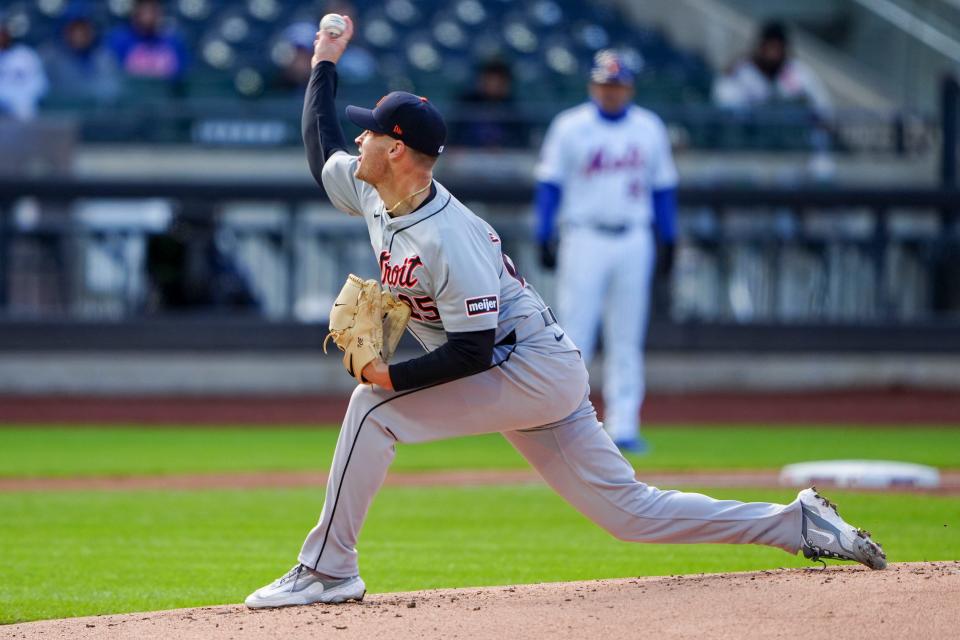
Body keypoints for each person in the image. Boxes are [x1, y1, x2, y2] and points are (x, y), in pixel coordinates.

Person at [244, 15, 886, 609]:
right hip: (527, 367)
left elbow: (470, 351)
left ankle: (329, 569)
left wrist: (392, 378)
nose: (360, 138)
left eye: (373, 131)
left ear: (400, 151)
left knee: (372, 410)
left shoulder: (450, 235)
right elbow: (318, 148)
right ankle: (796, 523)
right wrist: (325, 61)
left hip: (527, 366)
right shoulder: (373, 186)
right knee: (632, 514)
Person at [534, 49, 676, 454]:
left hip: (634, 236)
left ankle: (625, 425)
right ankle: (565, 421)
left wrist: (670, 237)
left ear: (629, 86)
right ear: (592, 85)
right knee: (574, 334)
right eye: (604, 84)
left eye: (617, 84)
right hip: (584, 236)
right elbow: (549, 185)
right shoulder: (570, 126)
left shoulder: (649, 128)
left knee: (626, 336)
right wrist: (544, 232)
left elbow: (664, 188)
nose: (611, 91)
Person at [712, 21, 832, 120]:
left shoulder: (797, 71)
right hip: (750, 139)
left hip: (791, 138)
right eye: (770, 47)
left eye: (778, 48)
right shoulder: (740, 71)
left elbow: (823, 107)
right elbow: (725, 105)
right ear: (760, 47)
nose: (773, 54)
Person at [41, 3, 120, 105]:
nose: (79, 34)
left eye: (84, 29)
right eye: (74, 29)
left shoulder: (104, 58)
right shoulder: (49, 58)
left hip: (96, 115)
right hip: (61, 116)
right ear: (64, 30)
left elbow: (112, 92)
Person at [106, 0, 188, 80]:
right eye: (144, 9)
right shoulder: (119, 41)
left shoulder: (174, 42)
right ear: (135, 12)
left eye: (153, 10)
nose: (149, 15)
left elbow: (183, 77)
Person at [0, 16, 48, 120]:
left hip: (26, 116)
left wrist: (21, 102)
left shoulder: (25, 55)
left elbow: (40, 85)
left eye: (2, 31)